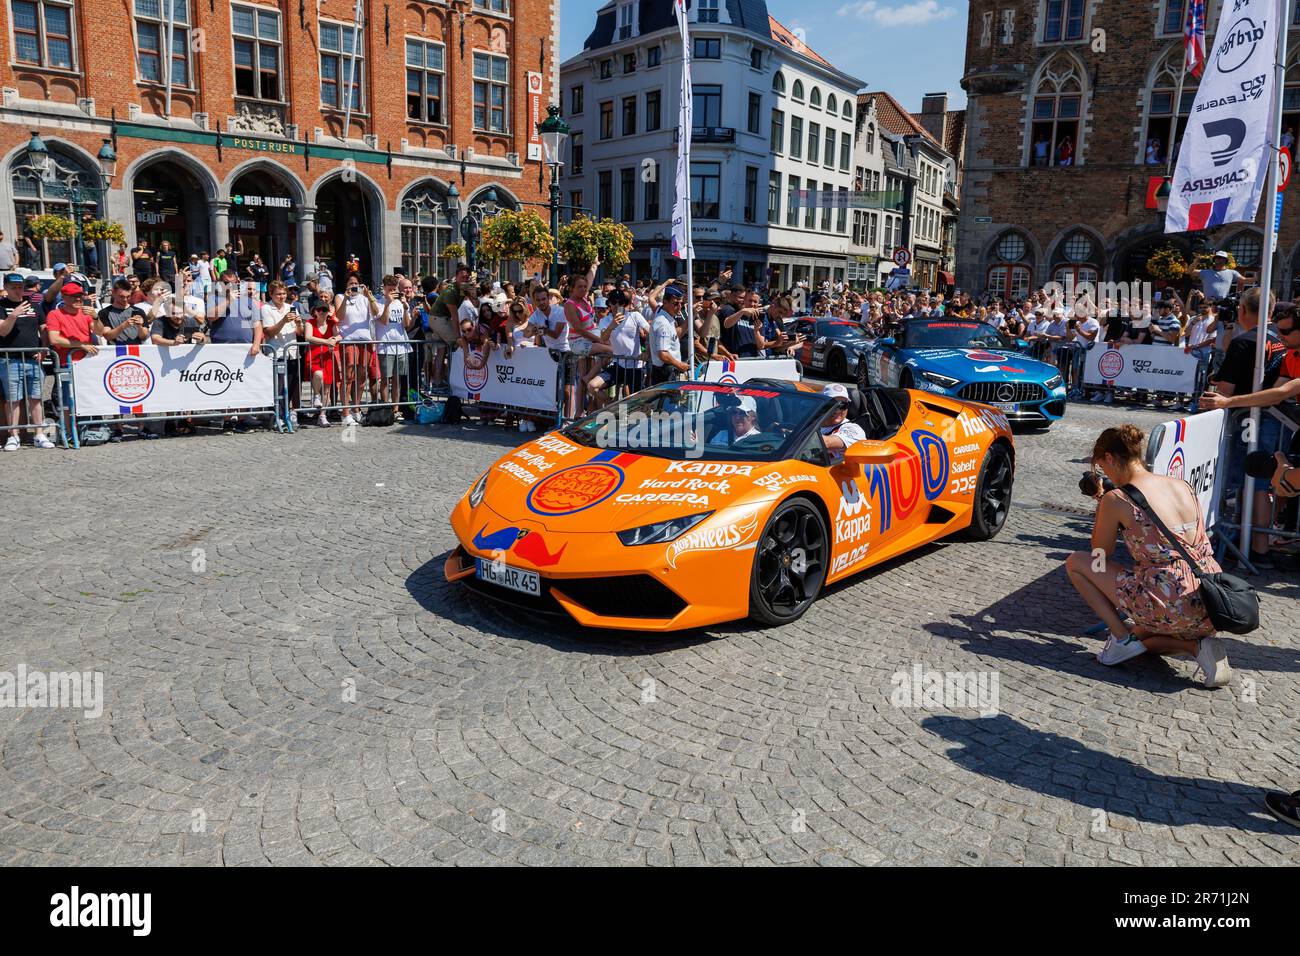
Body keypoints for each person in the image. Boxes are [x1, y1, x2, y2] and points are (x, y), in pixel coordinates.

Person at [1064, 424, 1231, 686]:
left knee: (1076, 562)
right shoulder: (1182, 485)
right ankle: (1197, 646)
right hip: (1211, 600)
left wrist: (1103, 508)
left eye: (1101, 468)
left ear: (1109, 458)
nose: (1104, 474)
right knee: (1143, 634)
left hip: (1169, 597)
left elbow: (1100, 555)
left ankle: (1121, 639)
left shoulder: (1117, 498)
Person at [0, 273, 55, 450]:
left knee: (36, 398)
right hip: (10, 359)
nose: (18, 291)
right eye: (14, 287)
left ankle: (39, 434)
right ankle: (13, 435)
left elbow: (44, 328)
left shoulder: (35, 306)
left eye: (20, 287)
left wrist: (44, 348)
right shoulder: (1, 306)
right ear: (6, 288)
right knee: (13, 399)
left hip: (33, 359)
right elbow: (2, 331)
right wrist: (14, 315)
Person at [334, 277, 381, 425]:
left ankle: (356, 409)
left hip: (365, 341)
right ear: (346, 285)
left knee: (361, 379)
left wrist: (370, 297)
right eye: (351, 284)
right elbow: (339, 316)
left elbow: (376, 313)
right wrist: (346, 299)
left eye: (356, 284)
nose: (354, 286)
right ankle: (345, 412)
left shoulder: (365, 298)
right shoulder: (340, 297)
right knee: (348, 377)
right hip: (348, 341)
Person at [261, 280, 303, 425]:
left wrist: (298, 323)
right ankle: (276, 415)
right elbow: (269, 332)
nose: (282, 296)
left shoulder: (291, 307)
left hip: (292, 351)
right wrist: (284, 321)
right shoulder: (266, 308)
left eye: (284, 293)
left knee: (291, 384)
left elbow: (300, 332)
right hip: (276, 351)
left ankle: (286, 413)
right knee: (278, 387)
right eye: (279, 294)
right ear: (271, 294)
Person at [303, 302, 340, 425]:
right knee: (318, 375)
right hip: (314, 356)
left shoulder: (332, 323)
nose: (322, 312)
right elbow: (308, 337)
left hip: (328, 357)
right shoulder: (309, 322)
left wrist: (334, 339)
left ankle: (322, 416)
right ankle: (316, 395)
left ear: (328, 311)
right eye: (319, 309)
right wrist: (326, 341)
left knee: (327, 388)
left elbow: (339, 335)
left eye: (325, 309)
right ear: (315, 312)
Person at [649, 284, 690, 384]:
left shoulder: (664, 314)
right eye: (675, 303)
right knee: (667, 399)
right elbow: (663, 354)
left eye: (681, 303)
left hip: (666, 371)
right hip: (665, 372)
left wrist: (691, 316)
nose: (679, 307)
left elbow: (675, 335)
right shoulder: (663, 323)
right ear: (665, 302)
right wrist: (679, 365)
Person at [816, 383, 865, 464]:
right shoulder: (813, 423)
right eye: (832, 405)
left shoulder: (854, 429)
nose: (837, 410)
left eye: (843, 405)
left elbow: (824, 442)